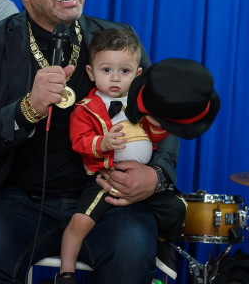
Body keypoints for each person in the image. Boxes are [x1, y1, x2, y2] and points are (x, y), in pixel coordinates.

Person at [0, 0, 180, 284]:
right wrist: (28, 108)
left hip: (107, 194)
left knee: (132, 252)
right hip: (18, 199)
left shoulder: (119, 40)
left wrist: (157, 177)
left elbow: (163, 118)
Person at [61, 31, 219, 283]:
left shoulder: (142, 104)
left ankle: (163, 245)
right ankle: (66, 272)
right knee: (81, 220)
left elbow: (155, 138)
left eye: (124, 71)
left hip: (142, 181)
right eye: (106, 70)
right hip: (106, 177)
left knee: (178, 208)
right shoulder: (85, 108)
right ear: (91, 73)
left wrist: (158, 125)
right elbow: (79, 141)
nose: (115, 78)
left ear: (137, 75)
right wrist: (102, 143)